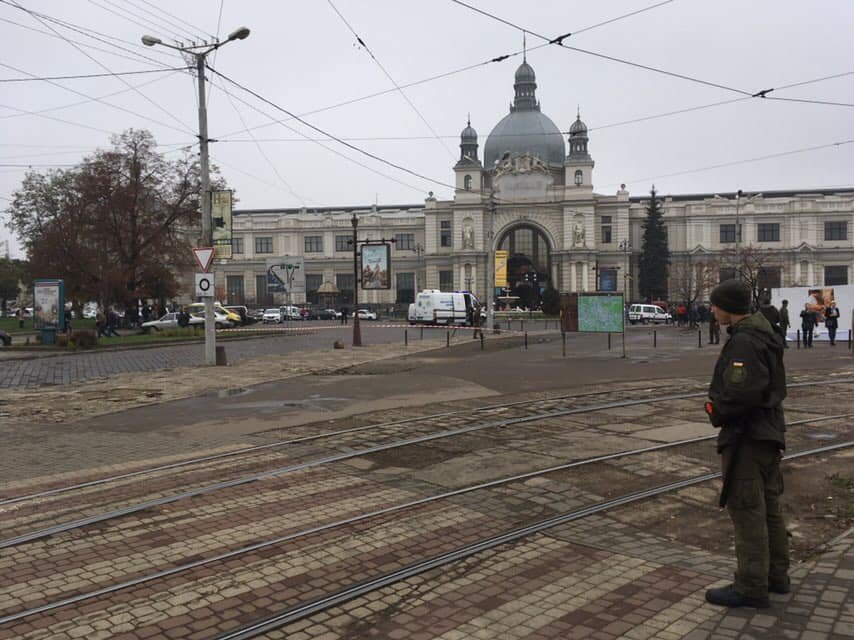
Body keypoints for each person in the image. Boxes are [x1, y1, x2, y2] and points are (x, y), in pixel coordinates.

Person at [704, 279, 788, 609]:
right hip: (767, 431)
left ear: (727, 307)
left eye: (715, 305)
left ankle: (752, 586)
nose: (712, 310)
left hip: (748, 437)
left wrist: (716, 410)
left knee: (747, 507)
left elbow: (742, 392)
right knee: (768, 507)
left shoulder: (744, 342)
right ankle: (776, 576)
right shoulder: (763, 333)